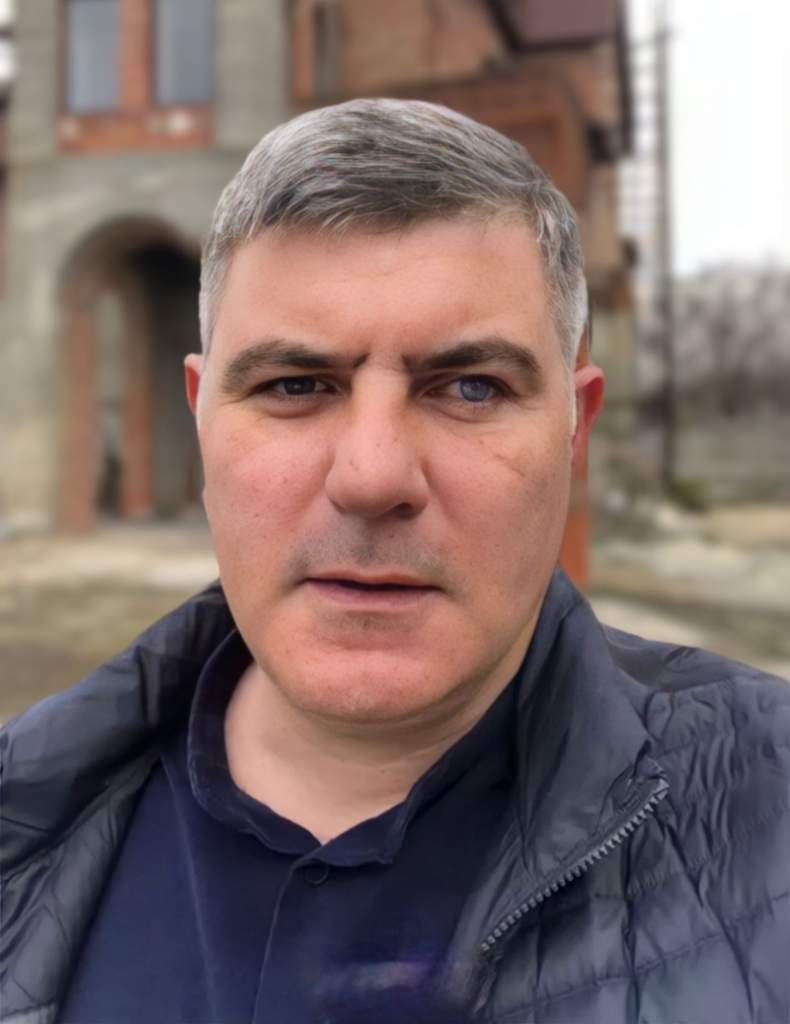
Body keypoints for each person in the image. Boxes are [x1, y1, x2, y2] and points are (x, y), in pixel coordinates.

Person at [1, 99, 788, 1024]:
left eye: (471, 388)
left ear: (574, 434)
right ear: (201, 417)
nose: (372, 477)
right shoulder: (25, 809)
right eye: (296, 384)